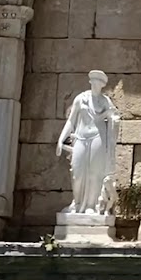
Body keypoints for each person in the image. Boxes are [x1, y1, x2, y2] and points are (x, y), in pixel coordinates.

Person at [56, 70, 121, 215]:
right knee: (77, 172)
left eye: (99, 82)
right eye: (94, 82)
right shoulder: (81, 98)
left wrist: (111, 117)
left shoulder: (105, 101)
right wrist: (61, 139)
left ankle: (91, 205)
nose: (96, 84)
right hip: (81, 137)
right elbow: (71, 120)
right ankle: (77, 203)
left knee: (94, 173)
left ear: (102, 85)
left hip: (98, 138)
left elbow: (114, 118)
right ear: (91, 82)